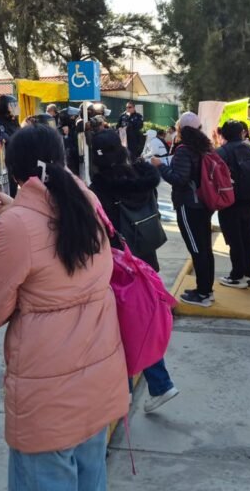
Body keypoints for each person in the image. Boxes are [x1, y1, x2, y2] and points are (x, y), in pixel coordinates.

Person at [0, 126, 126, 491]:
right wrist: (17, 209)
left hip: (48, 394)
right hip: (97, 379)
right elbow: (52, 230)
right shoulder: (87, 201)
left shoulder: (17, 227)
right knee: (91, 476)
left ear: (14, 171)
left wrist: (15, 217)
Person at [89, 129, 179, 414]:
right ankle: (152, 385)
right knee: (142, 326)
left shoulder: (99, 189)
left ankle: (139, 388)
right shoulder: (142, 176)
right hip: (146, 260)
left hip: (120, 268)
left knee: (120, 330)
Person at [153, 112, 215, 307]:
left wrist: (160, 166)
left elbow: (179, 179)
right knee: (205, 248)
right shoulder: (205, 147)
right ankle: (206, 290)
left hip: (189, 205)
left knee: (197, 249)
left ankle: (203, 294)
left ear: (181, 129)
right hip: (204, 203)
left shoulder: (184, 150)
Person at [215, 120, 250, 289]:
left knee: (234, 241)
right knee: (247, 239)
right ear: (242, 133)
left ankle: (237, 276)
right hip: (248, 202)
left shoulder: (222, 152)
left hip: (229, 203)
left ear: (223, 134)